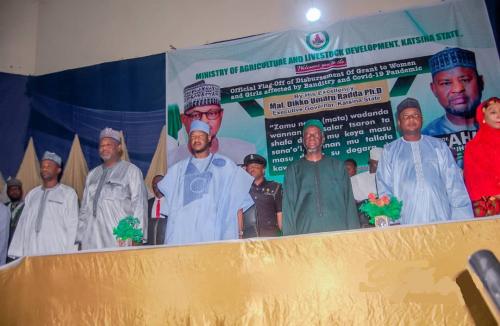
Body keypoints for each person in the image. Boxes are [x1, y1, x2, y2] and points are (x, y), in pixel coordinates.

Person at [377, 98, 473, 225]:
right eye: (406, 116)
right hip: (406, 220)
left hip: (441, 217)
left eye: (416, 115)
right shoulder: (390, 151)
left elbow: (454, 184)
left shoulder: (439, 146)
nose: (411, 119)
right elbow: (384, 187)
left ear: (422, 119)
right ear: (399, 123)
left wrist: (462, 221)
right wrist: (390, 220)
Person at [157, 120, 254, 245]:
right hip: (182, 237)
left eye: (200, 136)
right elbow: (168, 211)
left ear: (209, 138)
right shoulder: (177, 170)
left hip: (214, 236)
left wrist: (240, 234)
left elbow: (238, 205)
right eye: (193, 136)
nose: (196, 139)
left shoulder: (226, 166)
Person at [282, 119, 359, 235]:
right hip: (305, 233)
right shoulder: (293, 169)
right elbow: (288, 207)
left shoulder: (338, 166)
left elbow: (349, 202)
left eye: (315, 134)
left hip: (338, 232)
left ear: (323, 139)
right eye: (307, 135)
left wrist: (354, 234)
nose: (311, 137)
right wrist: (289, 239)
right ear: (303, 141)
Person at [76, 128, 148, 250]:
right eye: (101, 145)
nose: (104, 148)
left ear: (119, 148)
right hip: (92, 238)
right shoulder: (92, 174)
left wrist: (137, 237)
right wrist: (79, 237)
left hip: (119, 236)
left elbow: (139, 205)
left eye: (109, 145)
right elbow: (84, 209)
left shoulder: (131, 171)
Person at [167, 80, 256, 167]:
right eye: (195, 115)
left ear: (221, 115)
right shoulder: (171, 160)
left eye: (212, 113)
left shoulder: (244, 151)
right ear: (184, 119)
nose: (204, 121)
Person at [8, 152, 79, 257]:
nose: (44, 168)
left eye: (49, 166)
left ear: (58, 170)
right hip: (30, 251)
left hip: (56, 252)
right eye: (43, 166)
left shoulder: (68, 193)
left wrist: (70, 254)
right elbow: (23, 223)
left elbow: (73, 225)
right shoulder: (32, 194)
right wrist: (16, 251)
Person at [423, 47, 483, 136]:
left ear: (480, 82)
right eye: (446, 83)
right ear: (434, 89)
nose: (458, 89)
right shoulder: (428, 136)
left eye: (465, 80)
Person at [463, 97, 500, 217]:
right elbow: (476, 182)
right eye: (493, 112)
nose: (498, 116)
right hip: (491, 207)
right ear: (483, 117)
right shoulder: (474, 147)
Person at [241, 154, 282, 238]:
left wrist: (283, 235)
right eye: (250, 166)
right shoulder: (240, 189)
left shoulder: (275, 187)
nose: (252, 169)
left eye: (256, 166)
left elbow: (280, 213)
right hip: (248, 240)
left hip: (271, 238)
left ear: (263, 170)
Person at [350, 147, 383, 228]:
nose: (372, 165)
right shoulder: (357, 179)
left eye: (377, 163)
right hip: (364, 222)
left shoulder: (389, 178)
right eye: (372, 163)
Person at [147, 175, 168, 245]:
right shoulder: (147, 203)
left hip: (166, 243)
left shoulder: (171, 203)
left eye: (157, 183)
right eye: (153, 184)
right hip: (150, 243)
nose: (154, 185)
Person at [4, 178, 25, 244]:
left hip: (21, 242)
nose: (14, 192)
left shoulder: (27, 207)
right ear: (7, 192)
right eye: (11, 189)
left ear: (21, 191)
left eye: (16, 189)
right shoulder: (3, 207)